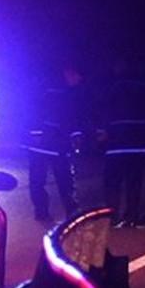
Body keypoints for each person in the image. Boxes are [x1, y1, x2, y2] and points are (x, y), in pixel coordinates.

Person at [25, 65, 87, 222]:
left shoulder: (48, 88)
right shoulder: (63, 93)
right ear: (69, 73)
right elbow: (70, 118)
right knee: (64, 180)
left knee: (38, 180)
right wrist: (74, 137)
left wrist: (35, 134)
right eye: (77, 77)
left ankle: (42, 212)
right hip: (55, 145)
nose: (78, 81)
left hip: (43, 145)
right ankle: (72, 213)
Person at [98, 74, 145, 229]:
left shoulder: (112, 89)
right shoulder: (144, 89)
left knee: (112, 183)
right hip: (138, 145)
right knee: (133, 183)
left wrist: (102, 134)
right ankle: (131, 217)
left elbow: (103, 113)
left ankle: (113, 217)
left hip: (116, 145)